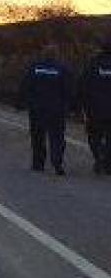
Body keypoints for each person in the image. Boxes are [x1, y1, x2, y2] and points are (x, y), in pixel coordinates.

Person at [16, 46, 75, 176]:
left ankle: (38, 163)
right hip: (57, 110)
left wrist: (20, 103)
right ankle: (57, 161)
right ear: (56, 55)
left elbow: (25, 85)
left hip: (37, 109)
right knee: (57, 137)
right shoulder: (63, 69)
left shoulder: (35, 67)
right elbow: (69, 90)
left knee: (37, 137)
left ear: (43, 55)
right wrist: (72, 107)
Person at [79, 39, 111, 175]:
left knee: (94, 136)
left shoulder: (92, 64)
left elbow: (83, 86)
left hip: (95, 109)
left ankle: (99, 158)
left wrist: (81, 106)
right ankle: (108, 164)